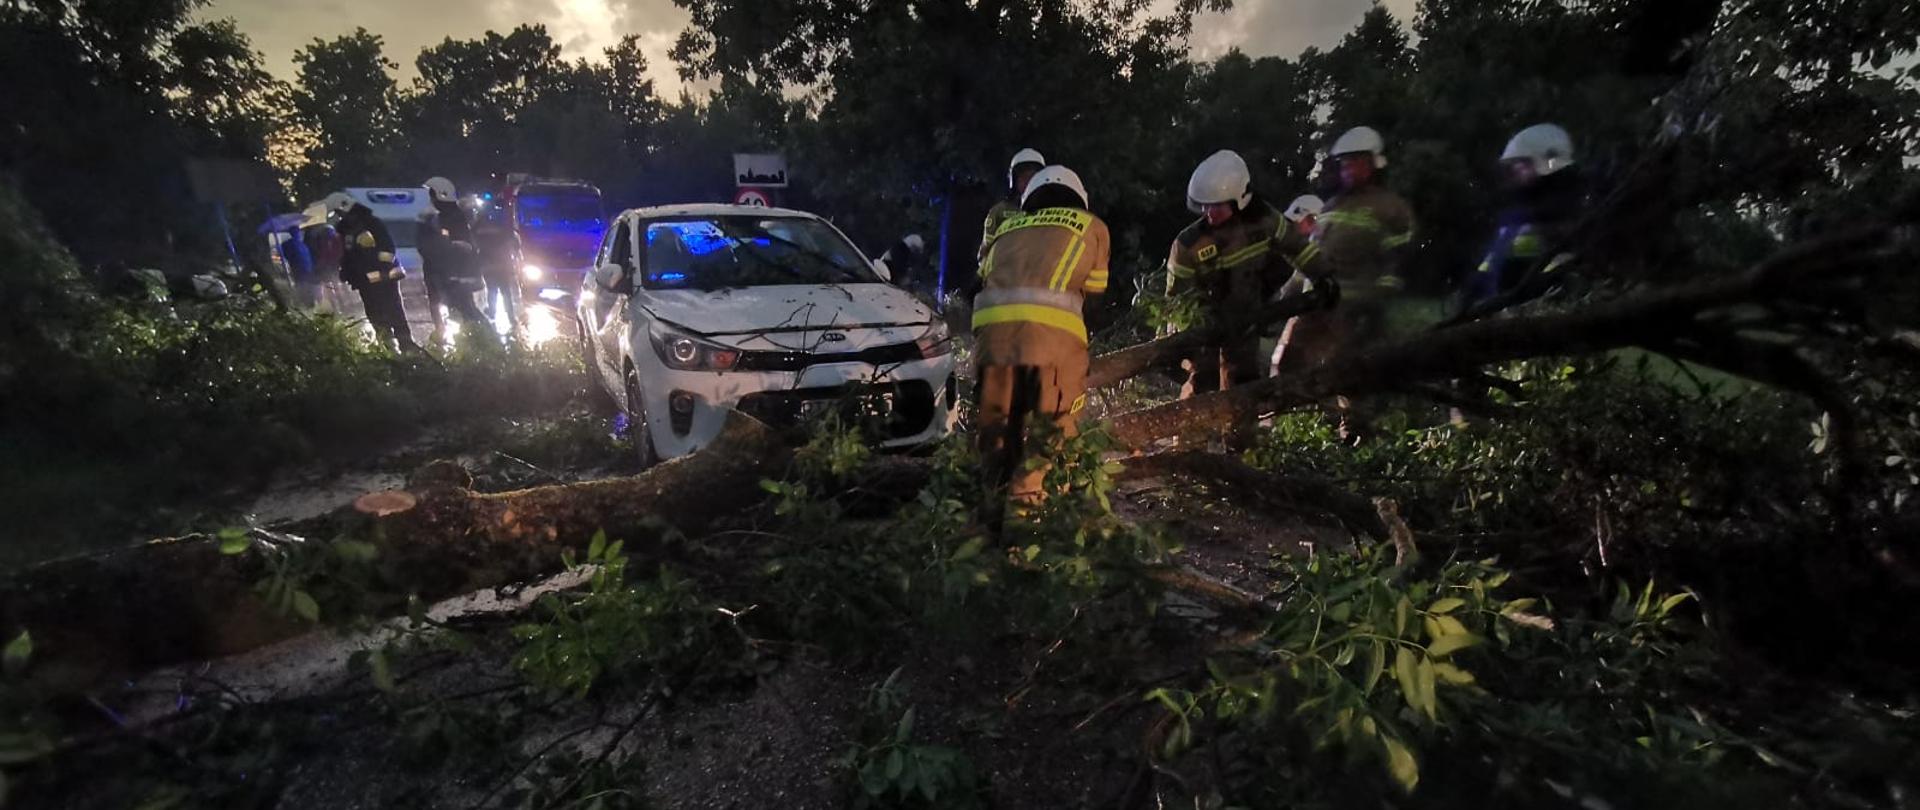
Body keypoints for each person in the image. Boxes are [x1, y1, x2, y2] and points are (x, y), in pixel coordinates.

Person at [972, 164, 1110, 519]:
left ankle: (986, 532)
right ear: (1080, 199)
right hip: (1052, 345)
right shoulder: (1092, 226)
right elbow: (1096, 289)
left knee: (996, 440)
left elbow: (984, 277)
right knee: (1049, 443)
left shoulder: (1005, 228)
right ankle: (1028, 540)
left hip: (992, 343)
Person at [1277, 126, 1416, 375]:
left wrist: (1376, 304)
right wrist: (1289, 294)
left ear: (1375, 163)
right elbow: (1311, 253)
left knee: (1344, 375)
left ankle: (1346, 414)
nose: (1349, 170)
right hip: (1313, 305)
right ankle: (1282, 412)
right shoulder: (1331, 205)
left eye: (1356, 163)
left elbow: (1398, 264)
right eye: (1344, 164)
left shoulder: (1392, 209)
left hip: (1353, 311)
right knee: (1286, 366)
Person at [1165, 150, 1288, 411]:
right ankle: (1188, 443)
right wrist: (1191, 331)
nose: (1210, 212)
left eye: (1217, 206)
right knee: (1203, 382)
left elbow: (1294, 254)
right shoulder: (1187, 244)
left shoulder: (1262, 226)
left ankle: (1240, 446)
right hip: (1203, 326)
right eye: (1206, 205)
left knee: (1242, 384)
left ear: (1238, 200)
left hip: (1244, 321)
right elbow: (1177, 300)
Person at [1458, 123, 1584, 315]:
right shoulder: (1517, 204)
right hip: (1509, 297)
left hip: (1541, 303)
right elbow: (1491, 263)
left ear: (1547, 162)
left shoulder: (1565, 204)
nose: (1516, 169)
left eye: (1524, 163)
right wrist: (1468, 302)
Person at [333, 192, 421, 353]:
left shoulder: (373, 223)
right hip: (364, 280)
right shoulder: (343, 230)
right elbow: (346, 254)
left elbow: (388, 249)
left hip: (386, 278)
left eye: (341, 212)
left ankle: (408, 347)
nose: (340, 216)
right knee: (375, 315)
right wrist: (347, 271)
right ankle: (388, 349)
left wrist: (379, 266)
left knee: (395, 312)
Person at [418, 176, 490, 343]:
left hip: (456, 275)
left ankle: (485, 341)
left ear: (441, 194)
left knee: (466, 310)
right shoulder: (438, 217)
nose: (430, 199)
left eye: (432, 195)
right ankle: (476, 341)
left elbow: (461, 247)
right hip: (446, 274)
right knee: (460, 311)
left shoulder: (453, 217)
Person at [979, 148, 1047, 262]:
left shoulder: (1051, 209)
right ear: (1014, 181)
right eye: (1023, 177)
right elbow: (986, 253)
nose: (1028, 182)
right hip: (1008, 274)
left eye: (1032, 177)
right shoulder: (999, 212)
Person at [473, 201, 525, 334]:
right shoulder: (501, 224)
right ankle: (511, 317)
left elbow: (473, 242)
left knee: (492, 289)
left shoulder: (478, 226)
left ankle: (492, 312)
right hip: (503, 262)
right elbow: (513, 239)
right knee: (505, 290)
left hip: (487, 263)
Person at [279, 223, 319, 308]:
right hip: (307, 271)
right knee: (307, 290)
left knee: (302, 289)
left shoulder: (288, 244)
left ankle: (306, 306)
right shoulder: (302, 245)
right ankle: (310, 306)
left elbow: (285, 255)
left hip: (298, 271)